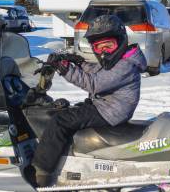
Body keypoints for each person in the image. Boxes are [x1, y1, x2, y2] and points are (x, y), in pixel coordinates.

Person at [29, 15, 147, 186]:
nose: (104, 51)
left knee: (60, 121)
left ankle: (42, 172)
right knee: (66, 111)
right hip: (107, 106)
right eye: (99, 48)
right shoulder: (120, 59)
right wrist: (79, 62)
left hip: (110, 112)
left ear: (121, 41)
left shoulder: (125, 66)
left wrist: (65, 69)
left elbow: (94, 83)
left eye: (108, 45)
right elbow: (97, 73)